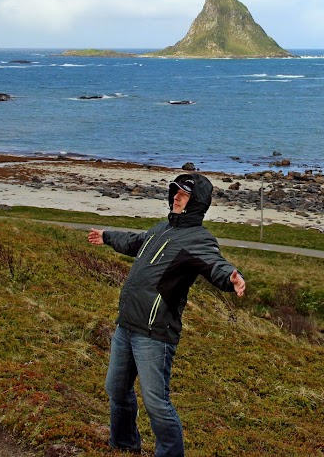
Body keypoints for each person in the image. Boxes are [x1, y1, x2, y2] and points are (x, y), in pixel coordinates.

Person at [88, 172, 246, 457]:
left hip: (154, 334)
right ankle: (124, 444)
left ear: (195, 203)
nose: (176, 197)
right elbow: (136, 241)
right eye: (175, 192)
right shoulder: (162, 229)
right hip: (127, 325)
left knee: (156, 403)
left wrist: (231, 279)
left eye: (183, 195)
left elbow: (216, 264)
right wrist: (108, 236)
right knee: (116, 389)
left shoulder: (200, 240)